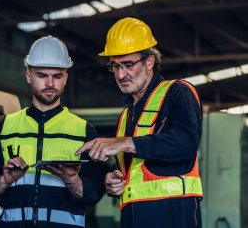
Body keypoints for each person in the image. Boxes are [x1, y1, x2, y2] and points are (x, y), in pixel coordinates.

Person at [75, 17, 203, 228]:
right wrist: (114, 181)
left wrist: (125, 143)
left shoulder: (177, 93)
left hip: (174, 215)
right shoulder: (126, 116)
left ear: (149, 61)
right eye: (115, 66)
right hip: (133, 217)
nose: (121, 74)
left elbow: (187, 141)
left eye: (128, 64)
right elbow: (135, 174)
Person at [0, 35, 107, 228]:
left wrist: (70, 178)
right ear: (28, 75)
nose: (50, 84)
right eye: (42, 75)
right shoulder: (6, 126)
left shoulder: (83, 131)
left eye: (57, 76)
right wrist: (5, 180)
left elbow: (93, 194)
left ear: (65, 79)